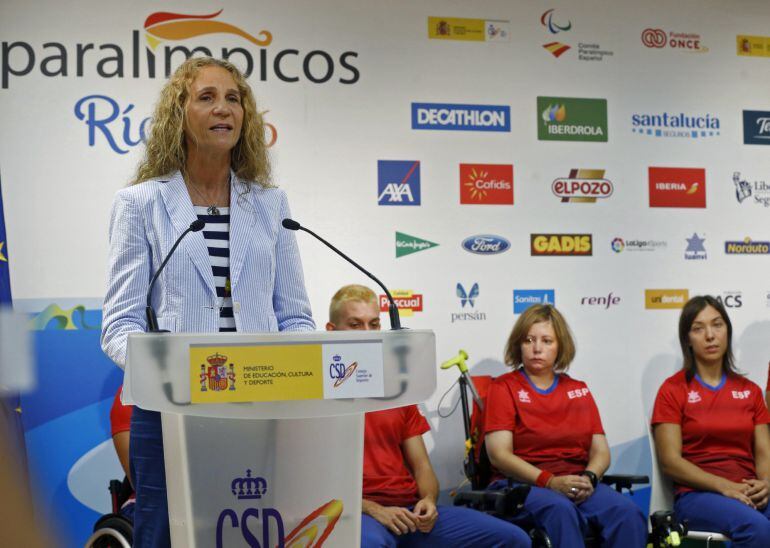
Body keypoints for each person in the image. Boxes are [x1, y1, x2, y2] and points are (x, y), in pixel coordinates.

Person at [100, 56, 314, 548]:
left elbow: (297, 316)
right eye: (207, 97)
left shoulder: (270, 204)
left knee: (252, 535)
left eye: (234, 99)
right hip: (170, 412)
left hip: (258, 409)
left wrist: (299, 371)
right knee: (165, 536)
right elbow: (119, 323)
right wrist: (170, 371)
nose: (224, 109)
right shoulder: (141, 204)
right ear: (180, 114)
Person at [326, 284, 531, 547]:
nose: (368, 334)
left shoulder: (396, 391)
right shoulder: (317, 398)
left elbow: (422, 466)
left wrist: (429, 501)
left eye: (374, 324)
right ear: (331, 331)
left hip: (410, 510)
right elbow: (310, 484)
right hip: (359, 513)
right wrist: (374, 509)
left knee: (514, 539)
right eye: (355, 325)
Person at [484, 304, 647, 547]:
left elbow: (600, 451)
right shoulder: (504, 387)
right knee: (560, 512)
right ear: (519, 344)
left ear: (560, 346)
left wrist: (589, 478)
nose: (537, 348)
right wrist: (550, 482)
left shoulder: (577, 389)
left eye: (547, 341)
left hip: (576, 483)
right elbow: (499, 455)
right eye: (529, 340)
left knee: (627, 513)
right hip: (524, 486)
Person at [652, 295, 770, 545]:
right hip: (698, 496)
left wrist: (766, 484)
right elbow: (670, 462)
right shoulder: (672, 389)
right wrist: (724, 486)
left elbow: (764, 454)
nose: (710, 335)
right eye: (698, 328)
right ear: (688, 340)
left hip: (749, 490)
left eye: (717, 324)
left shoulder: (750, 390)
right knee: (759, 529)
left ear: (727, 330)